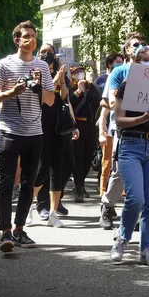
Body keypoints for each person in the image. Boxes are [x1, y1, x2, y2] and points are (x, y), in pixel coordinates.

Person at [0, 20, 55, 252]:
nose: (31, 39)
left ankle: (19, 229)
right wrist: (12, 91)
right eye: (26, 36)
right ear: (17, 40)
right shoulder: (5, 65)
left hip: (34, 132)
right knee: (7, 182)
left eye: (33, 36)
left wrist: (38, 89)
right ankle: (5, 232)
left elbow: (50, 101)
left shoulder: (42, 67)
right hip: (9, 131)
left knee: (29, 182)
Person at [110, 45, 149, 266]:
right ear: (136, 64)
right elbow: (119, 120)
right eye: (146, 60)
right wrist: (144, 118)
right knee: (135, 199)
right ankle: (123, 238)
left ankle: (147, 248)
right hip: (130, 145)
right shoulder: (126, 87)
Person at [99, 33, 146, 230]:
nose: (140, 48)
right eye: (136, 45)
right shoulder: (119, 72)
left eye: (143, 44)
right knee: (120, 173)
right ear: (127, 50)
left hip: (147, 129)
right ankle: (107, 204)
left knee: (145, 174)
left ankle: (141, 219)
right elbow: (110, 102)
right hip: (123, 130)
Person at [28, 44, 78, 228]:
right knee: (42, 170)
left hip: (59, 126)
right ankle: (29, 208)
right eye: (43, 52)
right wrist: (52, 79)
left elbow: (64, 98)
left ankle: (54, 213)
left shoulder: (60, 72)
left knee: (58, 169)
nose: (47, 56)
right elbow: (40, 97)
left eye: (50, 53)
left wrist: (62, 80)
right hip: (41, 125)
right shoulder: (35, 72)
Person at [70, 64, 101, 202]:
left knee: (88, 157)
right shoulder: (70, 88)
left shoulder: (92, 87)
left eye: (81, 72)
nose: (79, 74)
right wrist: (78, 91)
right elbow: (70, 103)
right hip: (77, 126)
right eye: (76, 72)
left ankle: (80, 183)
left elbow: (98, 103)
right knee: (79, 157)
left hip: (91, 127)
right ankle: (78, 187)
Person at [97, 53, 124, 196]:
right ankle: (103, 191)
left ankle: (123, 191)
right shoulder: (107, 81)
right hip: (110, 131)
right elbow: (103, 114)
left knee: (121, 164)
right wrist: (102, 133)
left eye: (122, 62)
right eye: (117, 62)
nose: (120, 65)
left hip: (124, 130)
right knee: (107, 162)